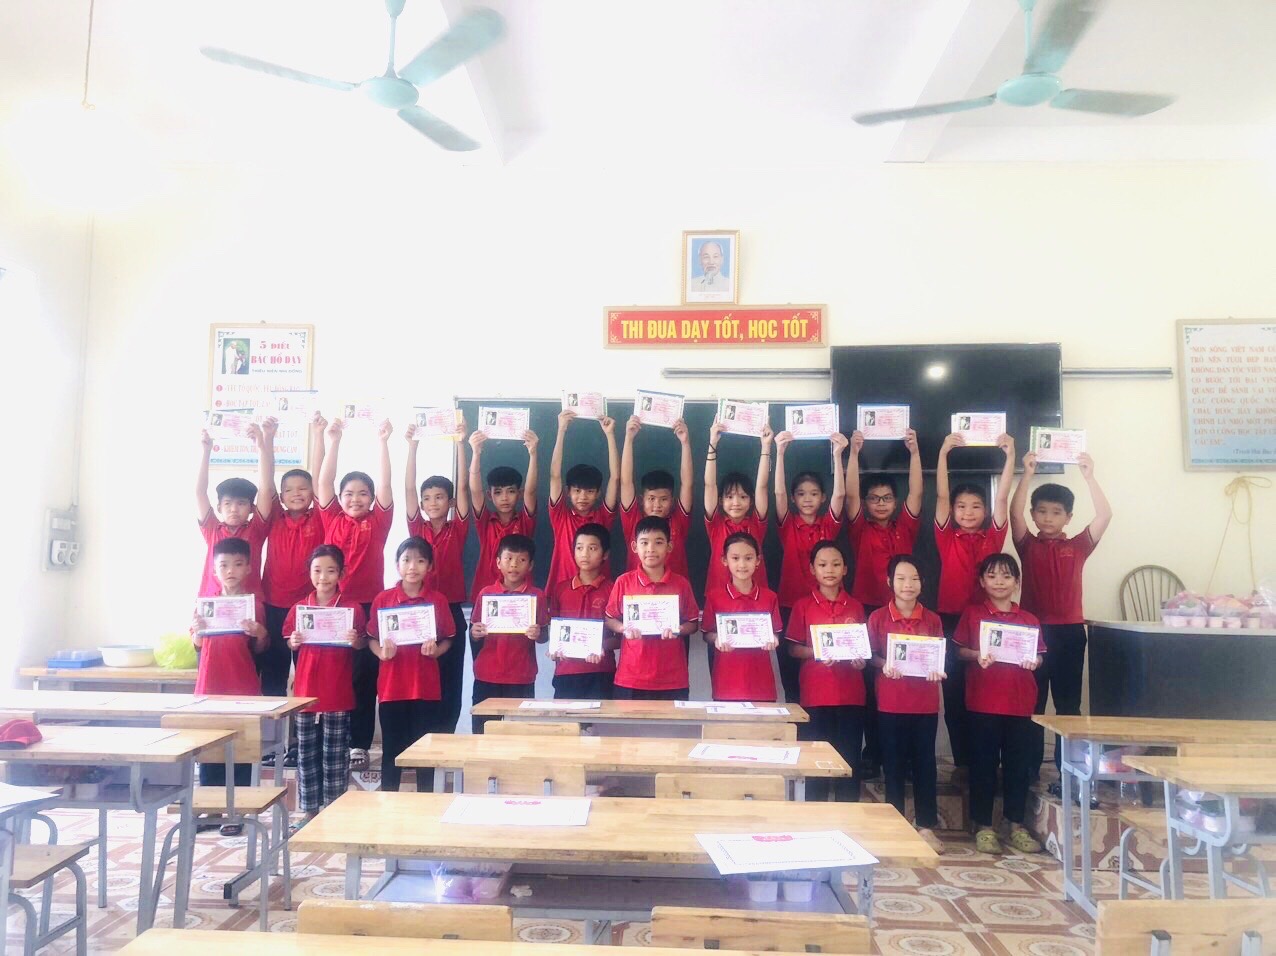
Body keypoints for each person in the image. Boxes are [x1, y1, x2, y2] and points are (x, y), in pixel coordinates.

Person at [1010, 451, 1112, 783]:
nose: (1048, 518)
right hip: (1032, 635)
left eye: (1056, 512)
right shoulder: (1027, 545)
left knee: (1068, 705)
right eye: (1042, 511)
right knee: (1033, 703)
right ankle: (1028, 769)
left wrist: (1089, 476)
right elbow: (1014, 513)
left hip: (1069, 633)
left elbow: (1105, 514)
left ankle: (1069, 772)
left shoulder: (1079, 545)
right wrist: (1026, 474)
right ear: (1033, 515)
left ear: (1068, 517)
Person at [933, 431, 1015, 784]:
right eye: (961, 507)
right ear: (953, 511)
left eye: (976, 506)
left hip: (988, 621)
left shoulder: (993, 537)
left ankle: (989, 763)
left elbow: (1003, 497)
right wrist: (943, 453)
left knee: (987, 692)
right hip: (951, 619)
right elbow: (940, 494)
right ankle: (963, 763)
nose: (968, 512)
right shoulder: (946, 536)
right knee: (953, 695)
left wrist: (1010, 457)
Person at [315, 416, 395, 772]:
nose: (355, 498)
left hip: (367, 606)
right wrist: (333, 440)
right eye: (349, 493)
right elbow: (324, 482)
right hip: (331, 607)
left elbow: (386, 484)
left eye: (363, 493)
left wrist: (383, 441)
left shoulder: (378, 521)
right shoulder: (331, 517)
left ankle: (359, 744)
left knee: (364, 679)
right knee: (332, 676)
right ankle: (330, 740)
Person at [953, 553, 1046, 854]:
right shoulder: (973, 614)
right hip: (983, 703)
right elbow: (959, 651)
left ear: (1017, 582)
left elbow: (1039, 655)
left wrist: (1035, 661)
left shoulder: (1028, 619)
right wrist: (977, 655)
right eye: (992, 576)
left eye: (1006, 576)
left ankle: (1015, 824)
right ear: (982, 581)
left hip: (1020, 703)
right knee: (984, 765)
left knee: (1018, 766)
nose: (999, 582)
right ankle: (983, 826)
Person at [845, 427, 923, 780]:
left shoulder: (906, 527)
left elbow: (917, 492)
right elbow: (849, 495)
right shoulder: (859, 528)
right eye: (874, 498)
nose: (880, 503)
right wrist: (853, 453)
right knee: (869, 686)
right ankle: (872, 753)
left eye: (887, 498)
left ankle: (899, 757)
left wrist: (915, 452)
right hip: (867, 612)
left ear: (895, 501)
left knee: (899, 682)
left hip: (902, 611)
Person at [259, 414, 329, 761]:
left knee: (307, 679)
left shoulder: (321, 517)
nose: (297, 493)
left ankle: (303, 744)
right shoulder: (273, 515)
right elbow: (265, 482)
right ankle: (272, 746)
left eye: (303, 488)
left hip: (309, 611)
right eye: (289, 490)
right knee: (272, 678)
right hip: (274, 607)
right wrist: (268, 440)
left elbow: (318, 473)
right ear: (281, 496)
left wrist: (318, 433)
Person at [868, 555, 946, 855]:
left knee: (926, 764)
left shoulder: (933, 619)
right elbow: (871, 656)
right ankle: (895, 825)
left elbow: (939, 655)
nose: (907, 585)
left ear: (922, 583)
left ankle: (926, 826)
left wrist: (938, 668)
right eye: (901, 578)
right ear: (890, 582)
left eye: (913, 579)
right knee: (893, 765)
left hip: (925, 703)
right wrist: (883, 664)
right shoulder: (878, 618)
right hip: (890, 703)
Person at [284, 544, 366, 820]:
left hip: (337, 693)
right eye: (317, 570)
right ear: (309, 572)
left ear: (341, 574)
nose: (323, 577)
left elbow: (361, 644)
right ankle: (309, 812)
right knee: (306, 755)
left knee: (335, 756)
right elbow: (289, 641)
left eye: (331, 571)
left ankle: (333, 812)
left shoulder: (352, 608)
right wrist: (293, 641)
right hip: (305, 695)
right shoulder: (300, 608)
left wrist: (356, 641)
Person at [367, 537, 456, 792]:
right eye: (406, 560)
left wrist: (436, 651)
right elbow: (371, 638)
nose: (412, 566)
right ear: (397, 564)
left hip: (426, 688)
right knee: (392, 751)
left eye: (420, 560)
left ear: (430, 566)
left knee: (424, 752)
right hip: (391, 688)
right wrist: (381, 653)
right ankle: (389, 803)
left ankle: (425, 802)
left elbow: (448, 638)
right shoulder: (383, 599)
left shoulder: (437, 600)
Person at [190, 538, 267, 824]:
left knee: (241, 750)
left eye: (237, 564)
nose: (230, 570)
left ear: (248, 568)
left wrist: (259, 632)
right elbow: (197, 645)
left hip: (243, 687)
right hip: (209, 686)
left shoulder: (254, 605)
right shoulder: (204, 604)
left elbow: (261, 647)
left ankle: (238, 813)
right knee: (209, 749)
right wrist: (197, 631)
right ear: (214, 570)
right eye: (223, 565)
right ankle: (211, 810)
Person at [405, 415, 472, 737]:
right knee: (420, 674)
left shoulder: (458, 528)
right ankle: (419, 733)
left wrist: (460, 443)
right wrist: (412, 445)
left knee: (450, 676)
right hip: (419, 611)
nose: (433, 503)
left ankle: (445, 733)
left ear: (451, 502)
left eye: (440, 497)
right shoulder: (416, 528)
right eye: (428, 498)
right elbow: (408, 487)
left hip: (452, 611)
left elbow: (464, 486)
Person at [786, 540, 868, 801]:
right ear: (812, 569)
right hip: (816, 695)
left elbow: (861, 651)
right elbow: (793, 649)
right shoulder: (802, 606)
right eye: (822, 565)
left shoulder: (856, 606)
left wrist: (860, 661)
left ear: (845, 569)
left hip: (851, 695)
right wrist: (818, 652)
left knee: (848, 760)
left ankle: (848, 812)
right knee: (816, 761)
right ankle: (815, 812)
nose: (829, 570)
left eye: (836, 564)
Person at [773, 428, 848, 702]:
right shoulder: (788, 525)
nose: (807, 499)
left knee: (824, 671)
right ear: (794, 499)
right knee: (792, 680)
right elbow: (778, 493)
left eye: (814, 494)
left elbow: (840, 497)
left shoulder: (828, 526)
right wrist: (780, 453)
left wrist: (838, 455)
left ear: (822, 498)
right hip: (790, 605)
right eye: (801, 494)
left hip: (824, 607)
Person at [605, 516, 700, 700]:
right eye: (644, 543)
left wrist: (679, 629)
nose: (651, 549)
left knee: (672, 721)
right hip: (631, 677)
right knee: (627, 720)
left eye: (658, 542)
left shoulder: (681, 584)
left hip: (672, 679)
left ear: (669, 547)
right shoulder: (624, 582)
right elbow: (610, 618)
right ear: (634, 547)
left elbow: (693, 623)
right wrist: (623, 628)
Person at [470, 534, 549, 733]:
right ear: (498, 562)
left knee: (519, 735)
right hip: (487, 674)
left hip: (521, 675)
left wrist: (538, 633)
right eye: (509, 558)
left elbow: (544, 636)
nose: (514, 564)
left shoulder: (537, 596)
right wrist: (475, 633)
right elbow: (474, 633)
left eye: (521, 560)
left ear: (530, 565)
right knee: (483, 733)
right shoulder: (486, 594)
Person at [195, 420, 273, 598]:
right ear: (219, 507)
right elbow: (199, 492)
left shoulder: (256, 530)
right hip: (212, 601)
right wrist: (206, 451)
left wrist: (261, 447)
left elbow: (265, 489)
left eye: (241, 503)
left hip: (249, 603)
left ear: (252, 508)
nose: (234, 509)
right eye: (228, 504)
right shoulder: (212, 530)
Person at [701, 532, 782, 702]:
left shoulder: (770, 597)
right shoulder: (714, 597)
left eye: (749, 558)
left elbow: (775, 632)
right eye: (735, 558)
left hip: (761, 683)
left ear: (758, 561)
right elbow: (707, 633)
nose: (742, 564)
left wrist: (773, 639)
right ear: (725, 560)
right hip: (726, 682)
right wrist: (717, 638)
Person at [547, 409, 619, 592]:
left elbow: (615, 478)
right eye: (577, 491)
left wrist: (610, 435)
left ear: (598, 493)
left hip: (599, 592)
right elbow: (554, 476)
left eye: (589, 491)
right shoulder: (561, 517)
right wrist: (561, 430)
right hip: (562, 593)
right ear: (568, 492)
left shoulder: (603, 517)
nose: (583, 497)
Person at [467, 427, 539, 602]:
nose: (505, 498)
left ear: (519, 494)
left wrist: (533, 454)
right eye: (498, 492)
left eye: (511, 491)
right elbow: (475, 491)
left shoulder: (525, 521)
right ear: (489, 495)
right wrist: (475, 453)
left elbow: (531, 491)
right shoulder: (485, 521)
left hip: (521, 595)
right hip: (486, 592)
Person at [548, 523, 618, 699]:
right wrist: (555, 648)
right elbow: (555, 631)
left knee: (600, 718)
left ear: (605, 554)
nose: (584, 554)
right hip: (566, 672)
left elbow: (621, 638)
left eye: (592, 548)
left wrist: (600, 646)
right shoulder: (560, 589)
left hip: (601, 671)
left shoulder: (613, 589)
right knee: (566, 718)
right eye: (579, 548)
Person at [619, 416, 694, 578]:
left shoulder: (678, 520)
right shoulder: (633, 519)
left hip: (674, 591)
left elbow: (687, 484)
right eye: (651, 498)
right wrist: (629, 438)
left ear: (672, 501)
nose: (657, 504)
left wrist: (685, 443)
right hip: (637, 591)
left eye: (663, 499)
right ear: (641, 500)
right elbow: (625, 482)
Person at [704, 420, 772, 596]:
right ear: (720, 501)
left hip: (756, 596)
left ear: (751, 501)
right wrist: (712, 443)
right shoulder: (716, 525)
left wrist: (766, 447)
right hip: (719, 596)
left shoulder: (756, 524)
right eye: (729, 497)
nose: (736, 502)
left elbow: (762, 487)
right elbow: (710, 485)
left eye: (743, 497)